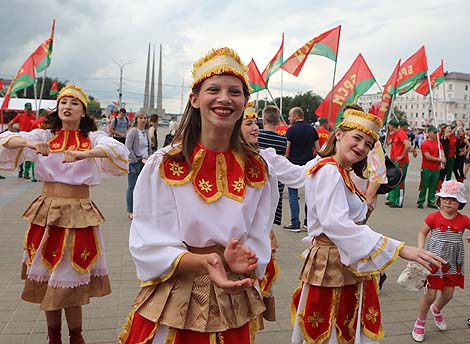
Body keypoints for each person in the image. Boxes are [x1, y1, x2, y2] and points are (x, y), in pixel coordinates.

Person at [118, 47, 279, 344]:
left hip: (231, 292)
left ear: (244, 103)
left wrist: (245, 260)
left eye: (235, 92)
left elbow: (259, 233)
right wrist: (207, 262)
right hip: (177, 291)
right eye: (213, 90)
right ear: (194, 99)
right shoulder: (166, 164)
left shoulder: (259, 171)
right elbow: (148, 239)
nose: (224, 99)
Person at [290, 107, 445, 344]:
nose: (363, 147)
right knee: (333, 327)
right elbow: (337, 225)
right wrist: (400, 249)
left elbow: (292, 173)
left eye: (369, 143)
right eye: (358, 138)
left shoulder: (335, 169)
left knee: (341, 325)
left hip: (342, 260)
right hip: (333, 262)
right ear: (339, 134)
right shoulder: (330, 171)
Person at [0, 85, 129, 344]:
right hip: (47, 211)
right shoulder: (43, 134)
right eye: (63, 103)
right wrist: (30, 143)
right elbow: (4, 140)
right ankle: (53, 337)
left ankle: (76, 337)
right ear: (57, 109)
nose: (67, 107)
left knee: (71, 276)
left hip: (79, 212)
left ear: (83, 111)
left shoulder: (92, 137)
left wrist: (86, 153)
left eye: (74, 103)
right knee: (48, 276)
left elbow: (117, 151)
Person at [412, 180, 470, 342]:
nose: (448, 201)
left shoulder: (464, 220)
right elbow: (422, 233)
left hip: (453, 262)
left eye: (452, 199)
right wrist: (420, 250)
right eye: (445, 198)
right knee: (430, 294)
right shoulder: (433, 217)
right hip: (434, 261)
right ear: (439, 200)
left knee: (449, 294)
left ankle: (436, 310)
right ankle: (420, 321)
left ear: (460, 203)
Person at [284, 106, 319, 231]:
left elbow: (287, 151)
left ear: (296, 116)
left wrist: (284, 160)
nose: (288, 118)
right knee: (309, 195)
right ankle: (308, 222)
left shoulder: (291, 131)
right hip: (309, 166)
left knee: (293, 195)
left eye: (290, 115)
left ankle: (295, 223)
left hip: (293, 165)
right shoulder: (312, 130)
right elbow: (318, 149)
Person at [125, 111, 151, 220]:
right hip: (135, 163)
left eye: (145, 118)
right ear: (136, 119)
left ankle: (141, 209)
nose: (143, 120)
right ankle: (130, 210)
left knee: (143, 187)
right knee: (132, 187)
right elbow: (128, 147)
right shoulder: (133, 132)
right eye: (141, 118)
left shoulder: (146, 132)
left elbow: (148, 147)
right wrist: (135, 160)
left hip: (145, 162)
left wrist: (150, 158)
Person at [417, 126, 446, 209]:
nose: (435, 134)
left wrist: (443, 160)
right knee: (424, 186)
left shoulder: (439, 144)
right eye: (434, 132)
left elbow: (442, 153)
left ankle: (431, 201)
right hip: (426, 168)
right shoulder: (425, 144)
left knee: (433, 186)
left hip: (436, 168)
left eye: (436, 133)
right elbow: (428, 156)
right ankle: (421, 201)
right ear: (429, 133)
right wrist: (440, 159)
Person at [386, 118, 411, 208]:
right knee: (393, 180)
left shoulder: (401, 134)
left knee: (399, 181)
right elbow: (388, 142)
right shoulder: (394, 134)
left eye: (389, 125)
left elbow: (407, 145)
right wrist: (388, 133)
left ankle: (399, 201)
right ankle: (392, 199)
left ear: (392, 126)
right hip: (394, 160)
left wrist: (402, 156)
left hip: (401, 161)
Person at [8, 102, 36, 179]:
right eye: (27, 109)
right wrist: (12, 133)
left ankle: (26, 173)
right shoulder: (20, 116)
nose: (28, 111)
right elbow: (10, 124)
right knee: (20, 154)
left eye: (30, 109)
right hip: (21, 137)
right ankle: (20, 171)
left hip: (30, 137)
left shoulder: (34, 117)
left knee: (29, 155)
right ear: (24, 109)